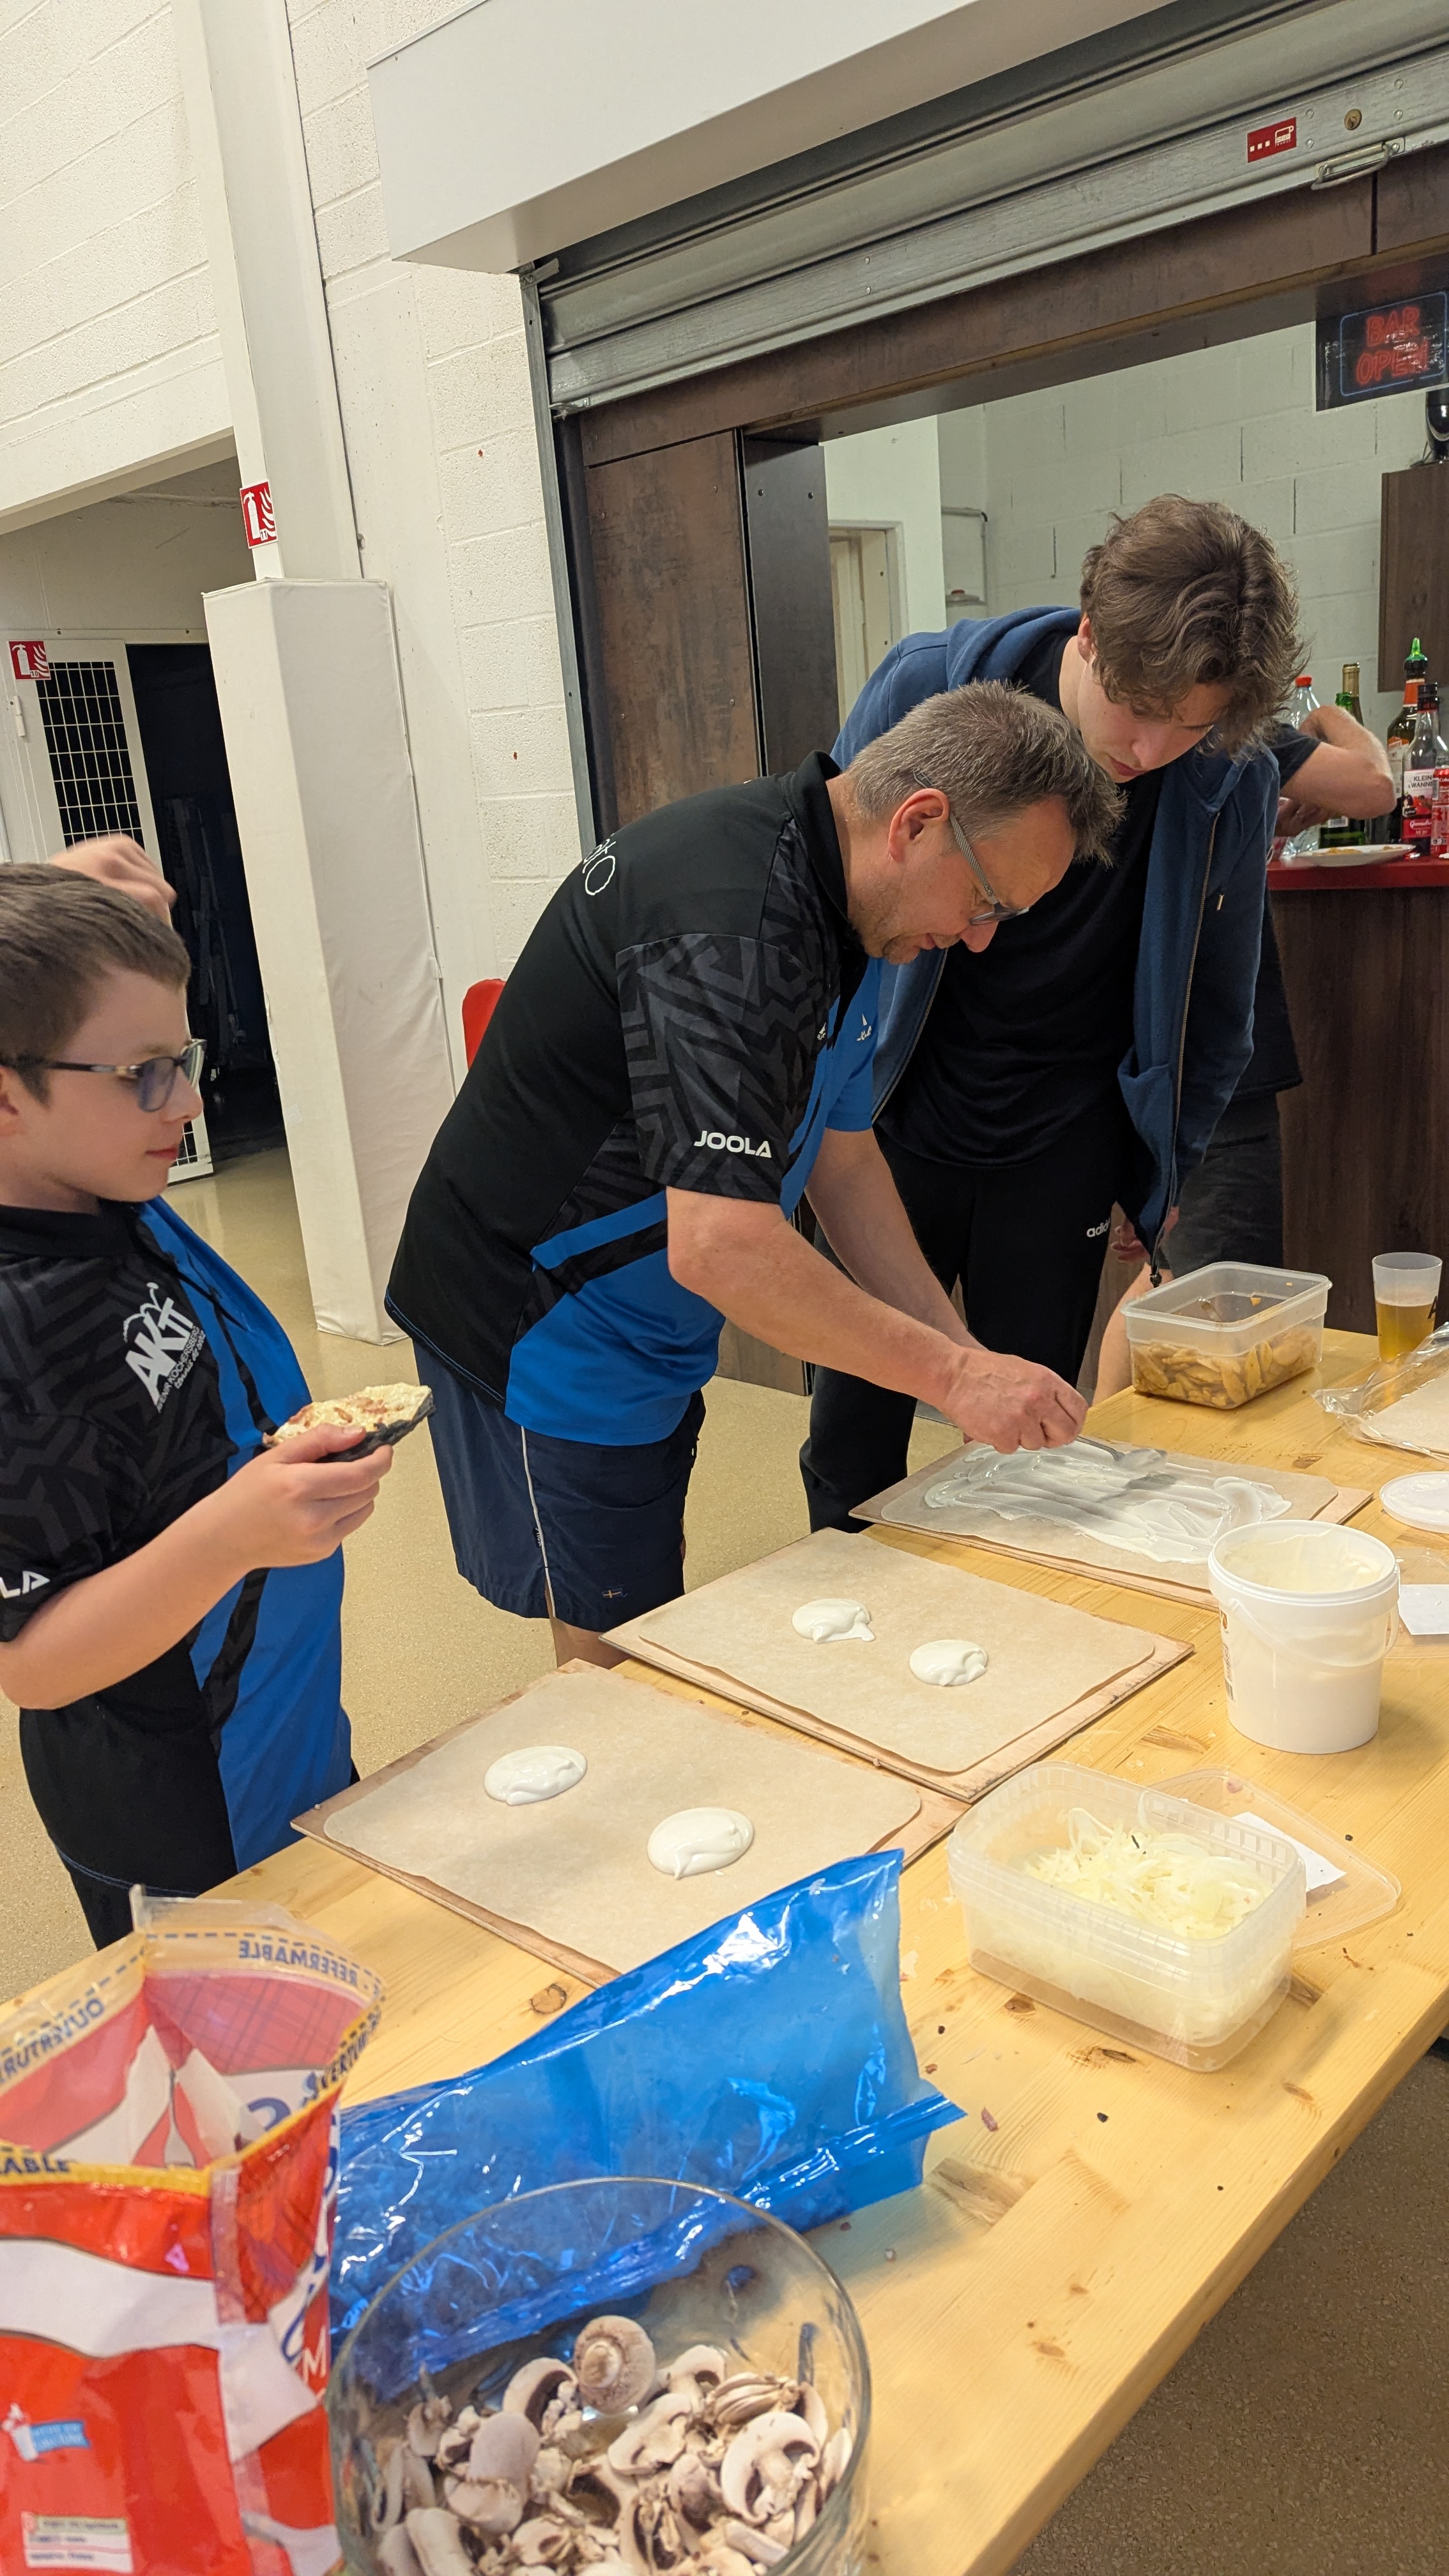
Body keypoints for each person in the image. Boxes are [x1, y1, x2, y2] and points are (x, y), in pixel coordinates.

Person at [387, 684, 1121, 1666]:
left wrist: (963, 1360)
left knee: (648, 1589)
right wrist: (951, 1373)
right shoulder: (732, 929)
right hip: (543, 1320)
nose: (983, 936)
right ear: (918, 823)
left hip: (640, 1316)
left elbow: (843, 1159)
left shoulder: (855, 909)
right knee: (614, 1646)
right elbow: (723, 1246)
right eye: (987, 901)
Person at [799, 494, 1303, 1530]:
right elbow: (825, 902)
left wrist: (1159, 1165)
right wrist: (805, 1108)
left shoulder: (1225, 772)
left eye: (1188, 725)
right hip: (894, 1114)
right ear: (1086, 635)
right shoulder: (926, 683)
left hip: (1062, 1137)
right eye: (1134, 708)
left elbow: (1219, 997)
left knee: (1024, 1446)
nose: (1150, 747)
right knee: (851, 1434)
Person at [0, 866, 393, 1947]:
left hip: (280, 1718)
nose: (186, 1102)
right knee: (238, 2081)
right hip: (181, 1801)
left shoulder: (92, 1175)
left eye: (185, 1060)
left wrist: (66, 910)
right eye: (144, 1074)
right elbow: (32, 1661)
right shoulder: (20, 1326)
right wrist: (239, 1530)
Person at [1094, 696, 1393, 1394]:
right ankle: (1109, 1467)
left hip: (1149, 1043)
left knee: (1167, 1274)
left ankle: (1090, 1455)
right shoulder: (1222, 727)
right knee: (1203, 1298)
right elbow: (1375, 784)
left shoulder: (1131, 725)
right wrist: (1323, 721)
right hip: (1208, 1062)